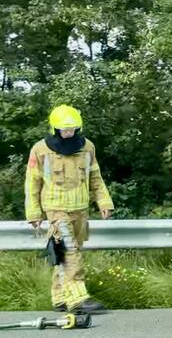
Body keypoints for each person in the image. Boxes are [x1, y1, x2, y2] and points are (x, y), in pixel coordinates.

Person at [24, 105, 114, 314]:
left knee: (65, 255)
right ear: (55, 129)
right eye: (65, 130)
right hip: (56, 209)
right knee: (71, 253)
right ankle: (78, 299)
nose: (69, 133)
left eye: (72, 129)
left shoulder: (87, 147)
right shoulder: (40, 150)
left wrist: (104, 202)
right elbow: (32, 183)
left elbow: (95, 177)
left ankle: (60, 298)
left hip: (80, 210)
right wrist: (34, 213)